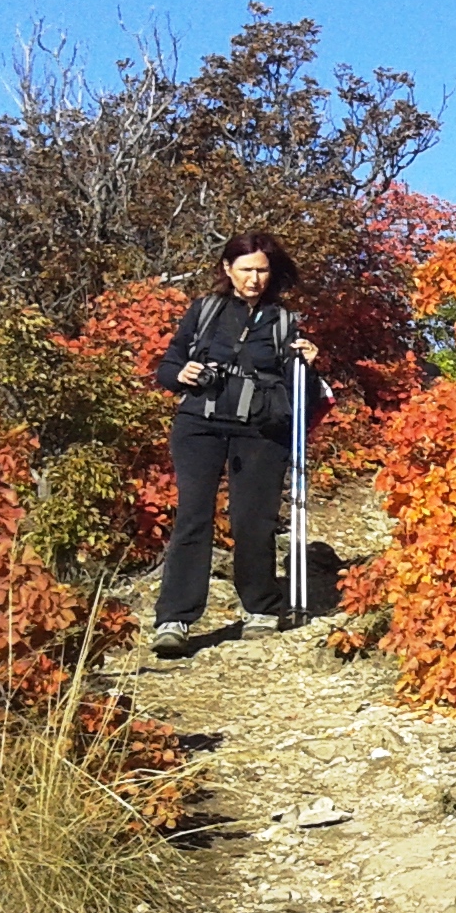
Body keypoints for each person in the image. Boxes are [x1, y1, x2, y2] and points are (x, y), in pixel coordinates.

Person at [149, 232, 323, 655]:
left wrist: (310, 367)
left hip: (262, 430)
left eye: (262, 270)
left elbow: (302, 395)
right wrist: (181, 374)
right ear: (228, 270)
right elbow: (168, 366)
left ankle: (261, 608)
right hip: (199, 424)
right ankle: (174, 620)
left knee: (253, 520)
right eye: (246, 269)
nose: (254, 279)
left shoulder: (285, 321)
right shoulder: (205, 311)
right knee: (193, 516)